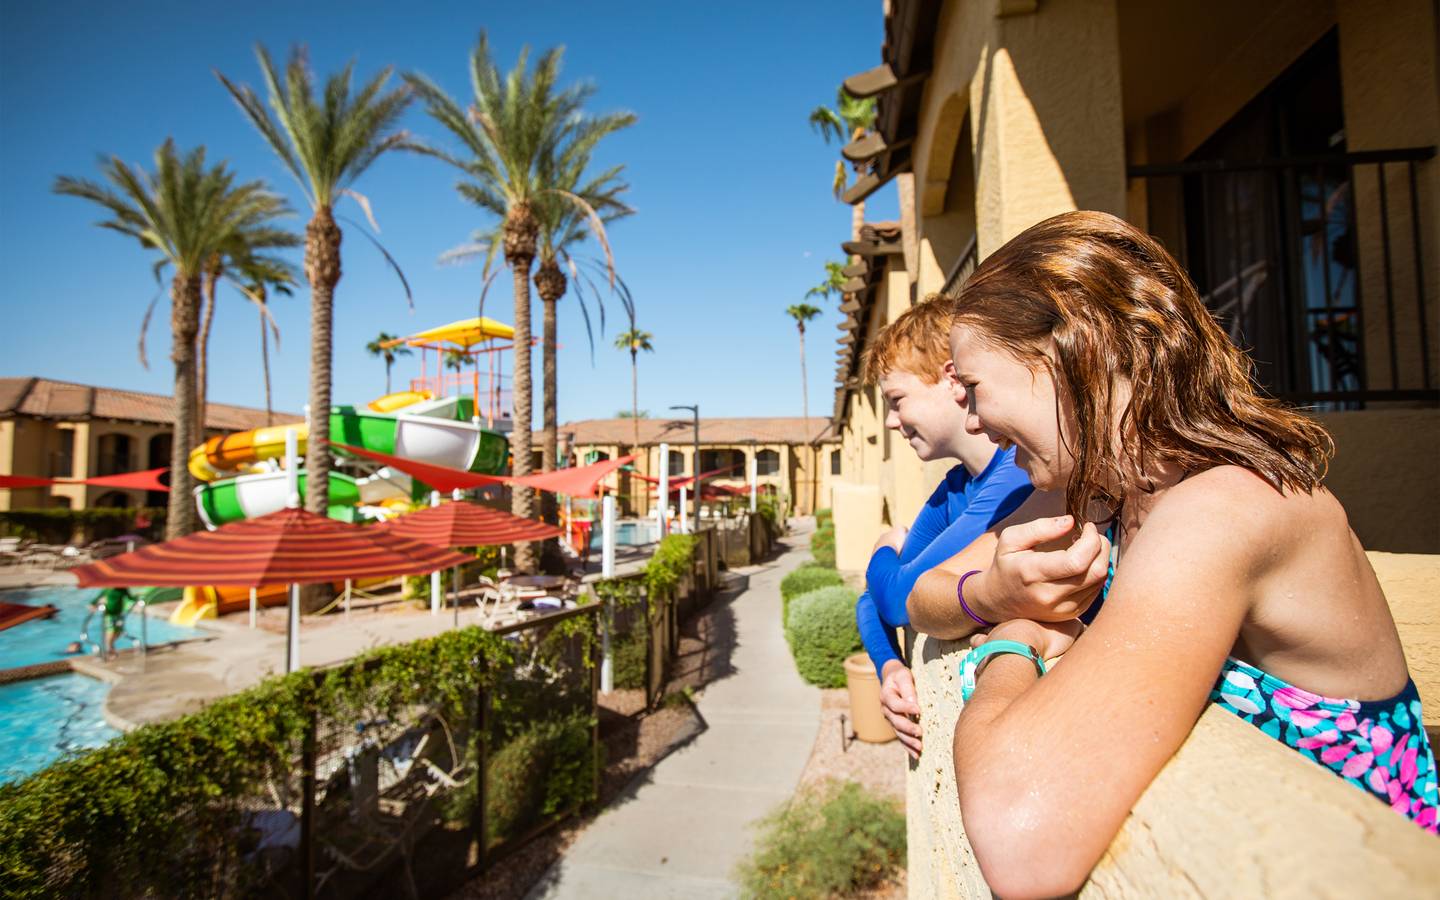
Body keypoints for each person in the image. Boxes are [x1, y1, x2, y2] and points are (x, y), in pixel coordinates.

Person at [906, 211, 1436, 897]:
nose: (974, 421)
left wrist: (1007, 645)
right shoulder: (1106, 490)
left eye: (976, 387)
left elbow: (1020, 840)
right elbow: (924, 595)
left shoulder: (1223, 510)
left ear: (1075, 348)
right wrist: (994, 594)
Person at [854, 297, 1032, 758]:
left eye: (897, 401)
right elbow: (871, 599)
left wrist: (883, 545)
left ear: (952, 379)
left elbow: (894, 597)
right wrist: (890, 666)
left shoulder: (1019, 475)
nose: (891, 422)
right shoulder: (957, 487)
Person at [96, 586, 135, 660]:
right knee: (111, 631)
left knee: (119, 632)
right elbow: (98, 597)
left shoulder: (123, 589)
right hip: (109, 614)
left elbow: (130, 597)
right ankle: (109, 649)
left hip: (119, 614)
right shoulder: (108, 588)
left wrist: (138, 599)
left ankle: (110, 647)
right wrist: (93, 604)